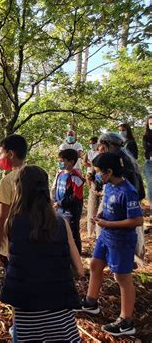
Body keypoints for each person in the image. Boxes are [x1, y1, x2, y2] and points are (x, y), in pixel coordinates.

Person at [0, 165, 83, 342]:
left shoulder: (12, 223)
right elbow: (80, 271)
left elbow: (15, 262)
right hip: (60, 313)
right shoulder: (61, 223)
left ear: (20, 189)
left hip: (26, 312)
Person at [79, 153, 143, 336]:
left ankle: (126, 321)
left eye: (99, 172)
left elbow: (137, 220)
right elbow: (111, 209)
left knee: (122, 278)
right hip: (106, 236)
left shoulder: (128, 191)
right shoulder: (109, 187)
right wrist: (101, 219)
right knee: (95, 265)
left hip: (121, 241)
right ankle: (91, 302)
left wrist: (109, 224)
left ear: (109, 171)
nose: (98, 175)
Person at [0, 134, 28, 268]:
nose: (0, 158)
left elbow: (3, 217)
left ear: (11, 154)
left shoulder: (7, 181)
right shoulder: (37, 175)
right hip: (35, 238)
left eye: (1, 153)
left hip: (13, 242)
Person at [52, 149, 84, 254]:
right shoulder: (60, 174)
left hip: (72, 210)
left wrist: (61, 202)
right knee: (61, 231)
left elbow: (76, 196)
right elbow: (56, 188)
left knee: (73, 233)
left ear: (71, 161)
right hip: (59, 209)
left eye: (62, 160)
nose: (60, 163)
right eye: (60, 160)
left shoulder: (76, 176)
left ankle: (77, 256)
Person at [85, 137, 100, 238]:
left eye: (94, 143)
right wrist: (89, 183)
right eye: (90, 143)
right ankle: (91, 232)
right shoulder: (89, 153)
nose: (92, 145)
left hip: (101, 181)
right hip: (92, 180)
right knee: (92, 206)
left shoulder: (100, 153)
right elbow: (88, 168)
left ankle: (99, 231)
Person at [142, 115, 152, 223]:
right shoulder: (146, 136)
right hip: (149, 163)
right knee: (151, 187)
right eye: (150, 123)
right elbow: (147, 148)